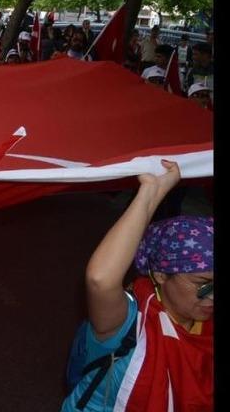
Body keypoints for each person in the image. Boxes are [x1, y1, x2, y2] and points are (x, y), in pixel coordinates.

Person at [61, 160, 213, 411]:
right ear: (162, 275)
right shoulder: (128, 323)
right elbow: (101, 280)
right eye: (204, 284)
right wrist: (151, 194)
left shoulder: (205, 324)